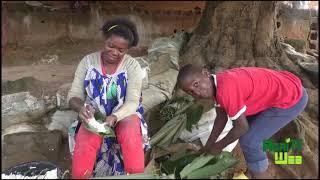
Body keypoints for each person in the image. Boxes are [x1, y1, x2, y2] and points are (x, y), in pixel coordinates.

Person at [176, 64, 308, 179]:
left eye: (196, 84)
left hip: (291, 98)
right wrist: (209, 145)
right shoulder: (216, 84)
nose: (197, 92)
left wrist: (218, 146)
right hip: (280, 89)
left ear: (206, 73)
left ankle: (259, 175)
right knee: (245, 129)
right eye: (191, 92)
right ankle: (254, 169)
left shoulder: (225, 89)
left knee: (249, 140)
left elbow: (242, 128)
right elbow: (221, 118)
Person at [67, 18, 149, 178]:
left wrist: (115, 116)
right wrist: (81, 108)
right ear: (104, 39)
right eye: (110, 46)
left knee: (130, 132)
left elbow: (132, 102)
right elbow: (73, 95)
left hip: (125, 114)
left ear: (127, 50)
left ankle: (136, 175)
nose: (114, 52)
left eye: (121, 50)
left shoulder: (132, 66)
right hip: (95, 116)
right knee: (86, 139)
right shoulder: (88, 62)